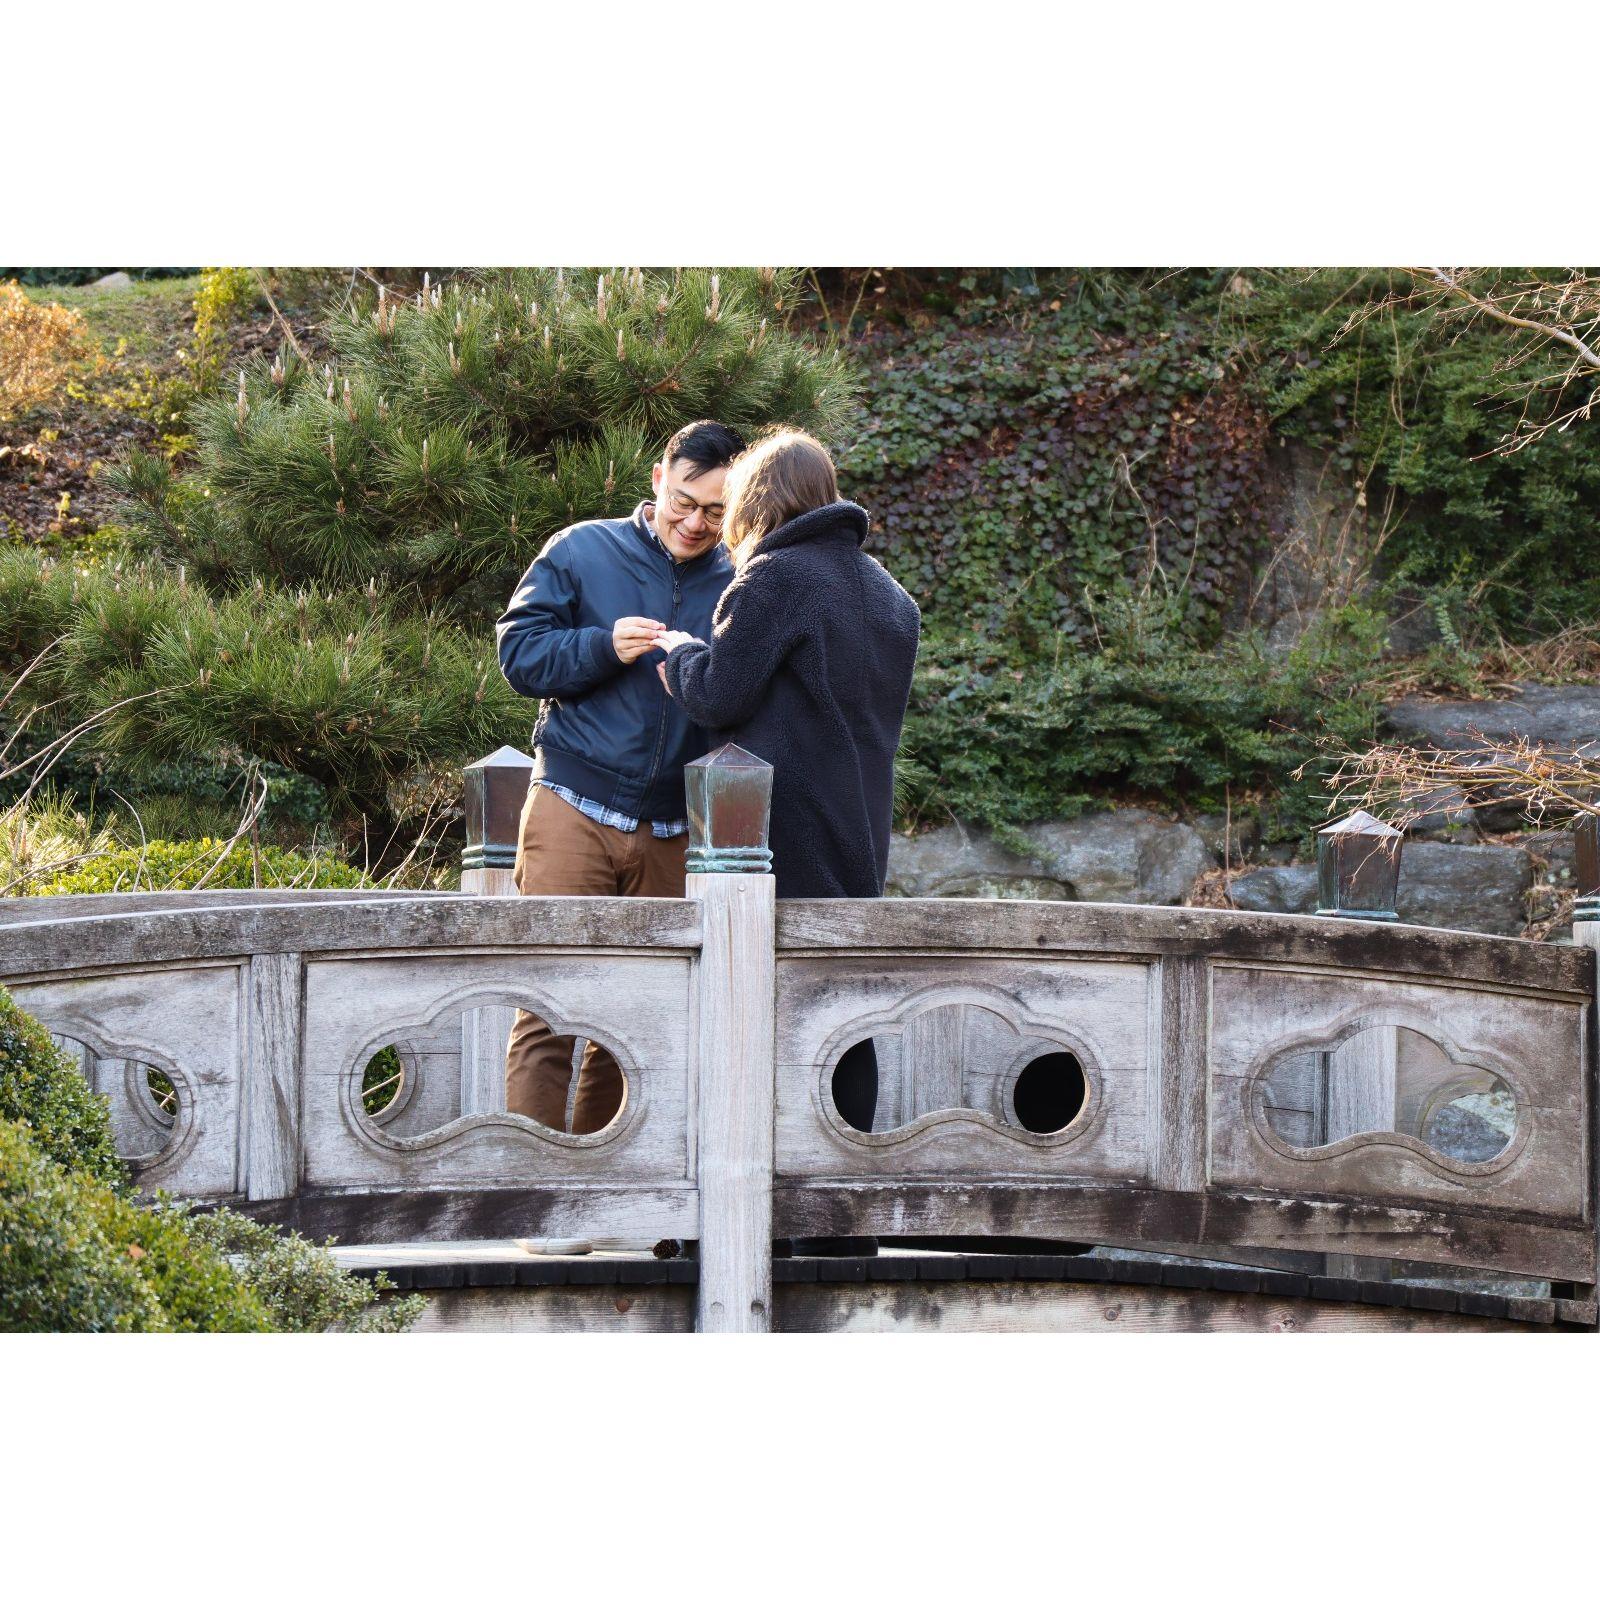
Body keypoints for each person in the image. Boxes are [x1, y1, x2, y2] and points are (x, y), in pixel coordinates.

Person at [660, 427, 922, 1138]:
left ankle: (761, 1197)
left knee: (759, 1006)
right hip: (861, 825)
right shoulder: (892, 596)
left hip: (776, 831)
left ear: (757, 501)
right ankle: (839, 1218)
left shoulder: (776, 576)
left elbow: (718, 692)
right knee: (843, 1010)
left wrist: (680, 653)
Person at [495, 418, 744, 1132]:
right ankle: (538, 1200)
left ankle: (604, 1196)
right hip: (573, 802)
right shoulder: (580, 549)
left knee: (633, 1018)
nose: (696, 524)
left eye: (717, 513)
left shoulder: (738, 578)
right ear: (659, 478)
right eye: (685, 503)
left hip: (674, 825)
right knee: (550, 1003)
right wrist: (602, 645)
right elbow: (519, 655)